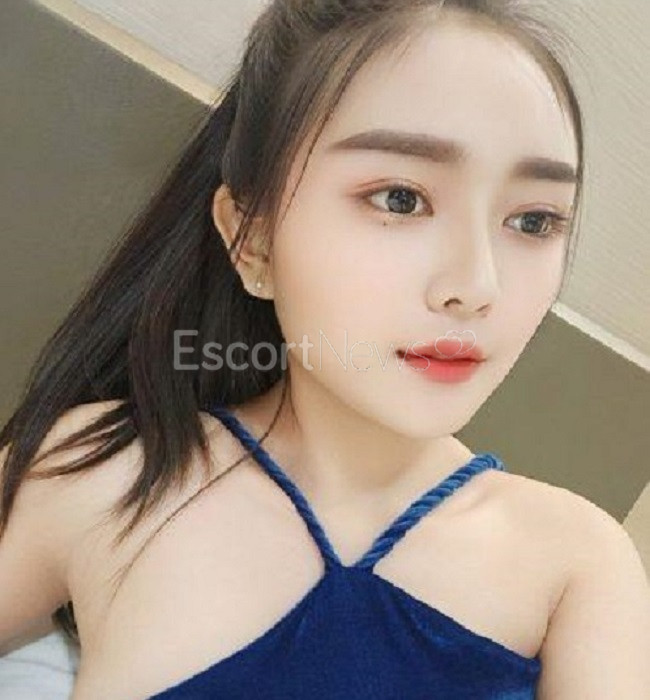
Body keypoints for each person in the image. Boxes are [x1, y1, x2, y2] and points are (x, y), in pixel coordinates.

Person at [1, 0, 649, 698]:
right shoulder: (100, 474)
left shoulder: (576, 564)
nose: (476, 286)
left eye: (534, 220)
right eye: (400, 199)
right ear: (252, 239)